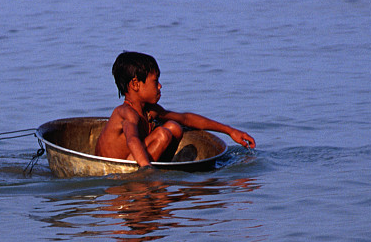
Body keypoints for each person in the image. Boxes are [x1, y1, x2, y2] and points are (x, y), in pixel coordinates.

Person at [95, 51, 255, 167]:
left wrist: (230, 131)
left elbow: (186, 119)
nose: (159, 86)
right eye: (155, 81)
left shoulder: (150, 111)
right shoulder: (125, 113)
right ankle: (149, 170)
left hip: (133, 160)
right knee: (163, 133)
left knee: (174, 127)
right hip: (114, 170)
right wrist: (147, 170)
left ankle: (158, 168)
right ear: (135, 84)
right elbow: (132, 140)